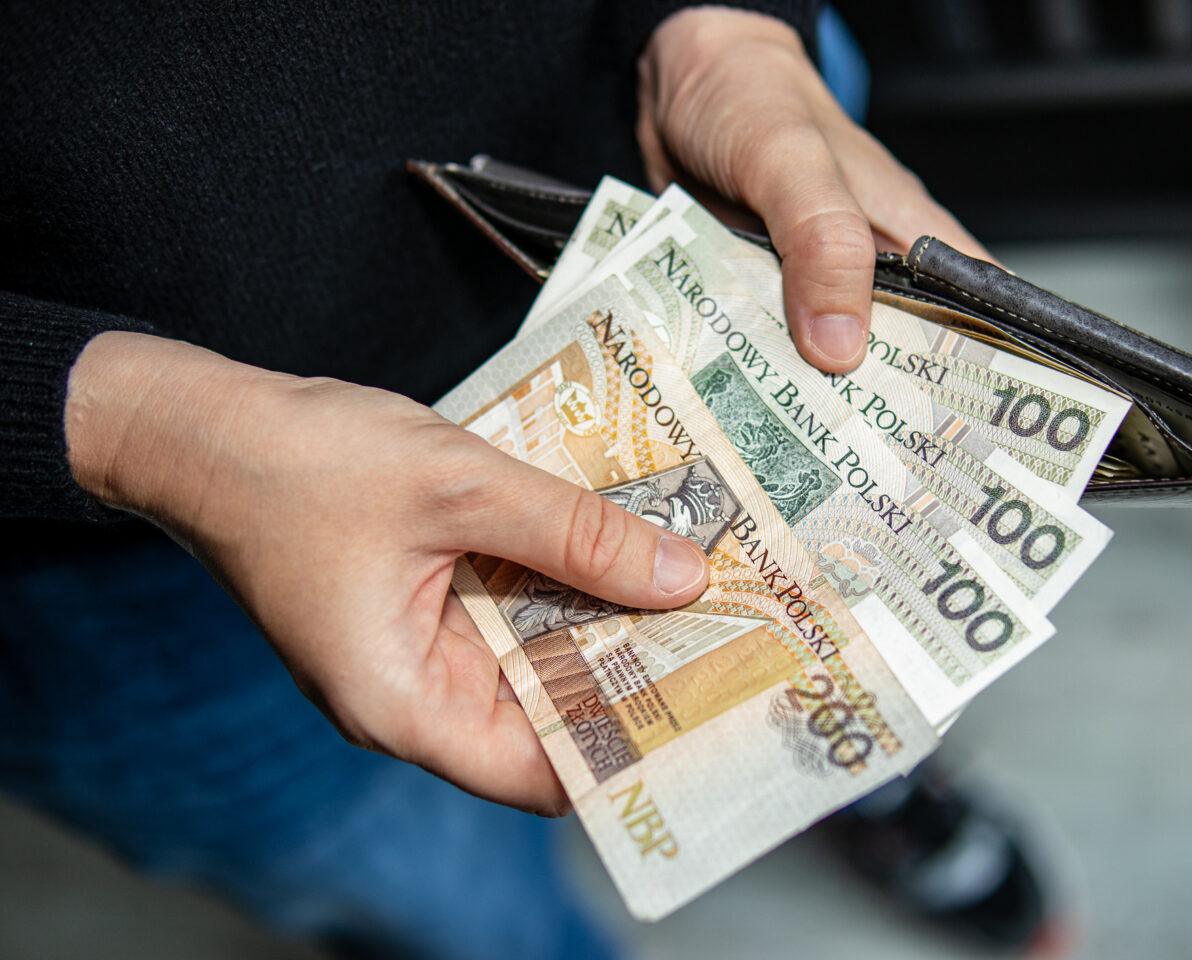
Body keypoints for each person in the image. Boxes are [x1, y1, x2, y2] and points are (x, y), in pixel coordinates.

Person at [0, 3, 1004, 957]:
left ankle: (849, 765)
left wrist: (724, 25)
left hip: (693, 167)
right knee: (461, 911)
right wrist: (134, 432)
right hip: (126, 553)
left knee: (836, 631)